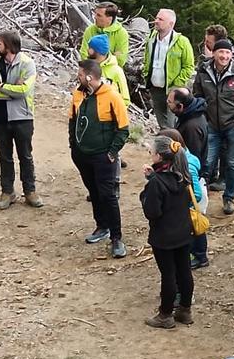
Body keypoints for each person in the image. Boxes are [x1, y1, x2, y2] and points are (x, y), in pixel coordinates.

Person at [68, 60, 129, 256]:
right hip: (82, 155)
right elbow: (72, 120)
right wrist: (73, 147)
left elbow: (123, 129)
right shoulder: (78, 93)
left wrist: (111, 153)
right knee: (93, 191)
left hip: (103, 157)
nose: (78, 77)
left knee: (108, 195)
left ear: (89, 77)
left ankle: (116, 238)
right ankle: (101, 226)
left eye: (80, 74)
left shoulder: (112, 96)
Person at [193, 38, 234, 214]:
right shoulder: (203, 71)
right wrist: (203, 119)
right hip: (211, 126)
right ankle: (200, 198)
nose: (224, 56)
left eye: (228, 53)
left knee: (232, 163)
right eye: (221, 52)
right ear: (214, 53)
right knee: (207, 162)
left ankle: (229, 198)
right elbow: (198, 96)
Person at [0, 31, 41, 210]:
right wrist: (11, 91)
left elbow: (24, 91)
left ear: (9, 46)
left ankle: (30, 191)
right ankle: (7, 191)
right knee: (4, 156)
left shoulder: (27, 64)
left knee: (25, 155)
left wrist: (1, 88)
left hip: (22, 117)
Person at [140, 136, 194, 328]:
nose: (150, 154)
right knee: (184, 271)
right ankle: (185, 310)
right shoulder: (183, 177)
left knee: (168, 275)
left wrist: (146, 191)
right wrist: (153, 177)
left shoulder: (156, 184)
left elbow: (152, 212)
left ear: (160, 156)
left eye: (152, 152)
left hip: (164, 236)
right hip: (183, 232)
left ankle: (165, 314)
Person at [160, 126, 209, 270]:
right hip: (185, 206)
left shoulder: (188, 164)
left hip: (190, 207)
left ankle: (201, 257)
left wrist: (184, 203)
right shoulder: (181, 159)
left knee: (196, 229)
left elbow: (197, 193)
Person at [142, 8, 195, 128]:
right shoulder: (151, 39)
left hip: (172, 90)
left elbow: (188, 66)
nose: (156, 21)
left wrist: (176, 85)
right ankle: (165, 143)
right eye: (156, 18)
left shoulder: (182, 42)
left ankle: (173, 143)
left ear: (171, 23)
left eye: (160, 19)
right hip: (155, 88)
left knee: (172, 123)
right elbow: (147, 59)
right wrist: (146, 74)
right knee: (161, 121)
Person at [86, 34, 131, 105]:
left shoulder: (117, 71)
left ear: (98, 51)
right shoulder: (89, 66)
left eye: (90, 48)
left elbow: (125, 100)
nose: (88, 50)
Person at [169, 88, 208, 166]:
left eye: (170, 102)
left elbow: (193, 158)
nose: (167, 103)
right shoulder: (186, 115)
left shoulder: (192, 128)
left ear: (180, 106)